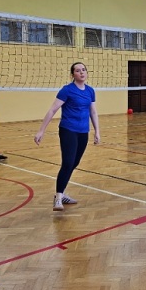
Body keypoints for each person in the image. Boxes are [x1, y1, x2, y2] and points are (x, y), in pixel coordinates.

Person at [34, 62, 100, 211]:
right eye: (78, 71)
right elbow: (52, 110)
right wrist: (41, 131)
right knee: (68, 163)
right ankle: (58, 197)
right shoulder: (67, 90)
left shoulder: (90, 91)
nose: (82, 72)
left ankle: (62, 193)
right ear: (73, 74)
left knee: (74, 163)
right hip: (68, 130)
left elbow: (93, 112)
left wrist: (97, 131)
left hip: (83, 132)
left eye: (83, 70)